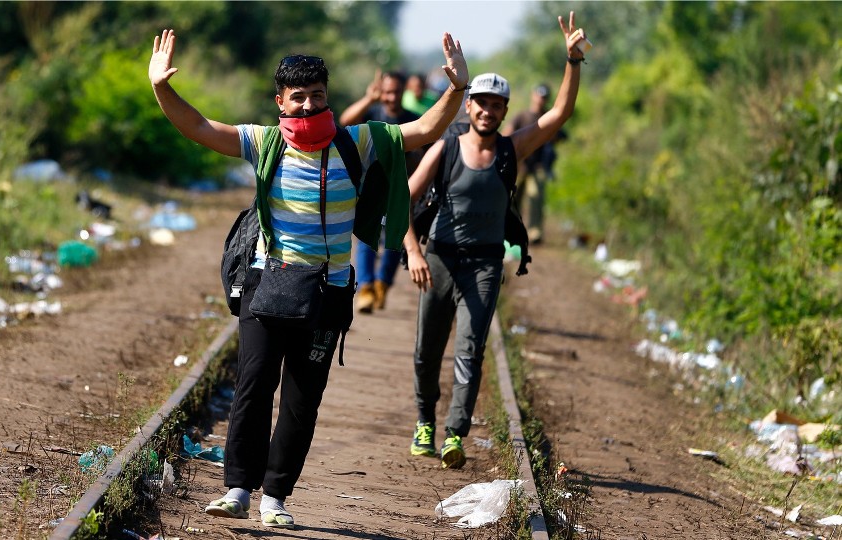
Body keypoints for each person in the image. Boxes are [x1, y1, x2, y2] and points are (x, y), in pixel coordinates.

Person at [149, 29, 469, 527]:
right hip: (267, 281)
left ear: (327, 96)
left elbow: (424, 129)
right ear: (280, 100)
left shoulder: (357, 140)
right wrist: (161, 88)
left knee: (301, 401)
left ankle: (275, 497)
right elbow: (198, 127)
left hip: (330, 290)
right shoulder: (265, 142)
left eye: (316, 95)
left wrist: (456, 89)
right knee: (253, 387)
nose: (307, 105)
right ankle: (237, 488)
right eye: (297, 97)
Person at [402, 13, 586, 469]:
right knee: (428, 350)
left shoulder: (511, 148)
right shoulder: (446, 147)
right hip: (440, 258)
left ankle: (453, 433)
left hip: (485, 265)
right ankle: (424, 420)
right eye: (479, 103)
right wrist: (412, 251)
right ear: (469, 108)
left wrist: (573, 60)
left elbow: (559, 113)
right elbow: (402, 200)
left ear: (505, 111)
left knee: (470, 348)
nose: (487, 110)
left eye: (495, 104)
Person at [339, 70, 421, 314]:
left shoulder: (412, 118)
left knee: (395, 240)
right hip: (371, 187)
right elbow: (344, 122)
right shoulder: (373, 114)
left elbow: (423, 154)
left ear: (403, 91)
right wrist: (369, 99)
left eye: (395, 92)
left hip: (400, 189)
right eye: (386, 92)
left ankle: (382, 284)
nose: (391, 97)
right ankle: (365, 287)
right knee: (366, 236)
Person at [503, 83, 568, 245]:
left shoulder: (550, 117)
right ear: (533, 95)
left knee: (536, 198)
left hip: (538, 166)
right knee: (512, 198)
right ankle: (508, 230)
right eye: (539, 96)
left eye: (544, 97)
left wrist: (551, 137)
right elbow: (507, 134)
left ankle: (534, 233)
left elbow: (562, 136)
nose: (541, 100)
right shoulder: (522, 116)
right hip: (519, 165)